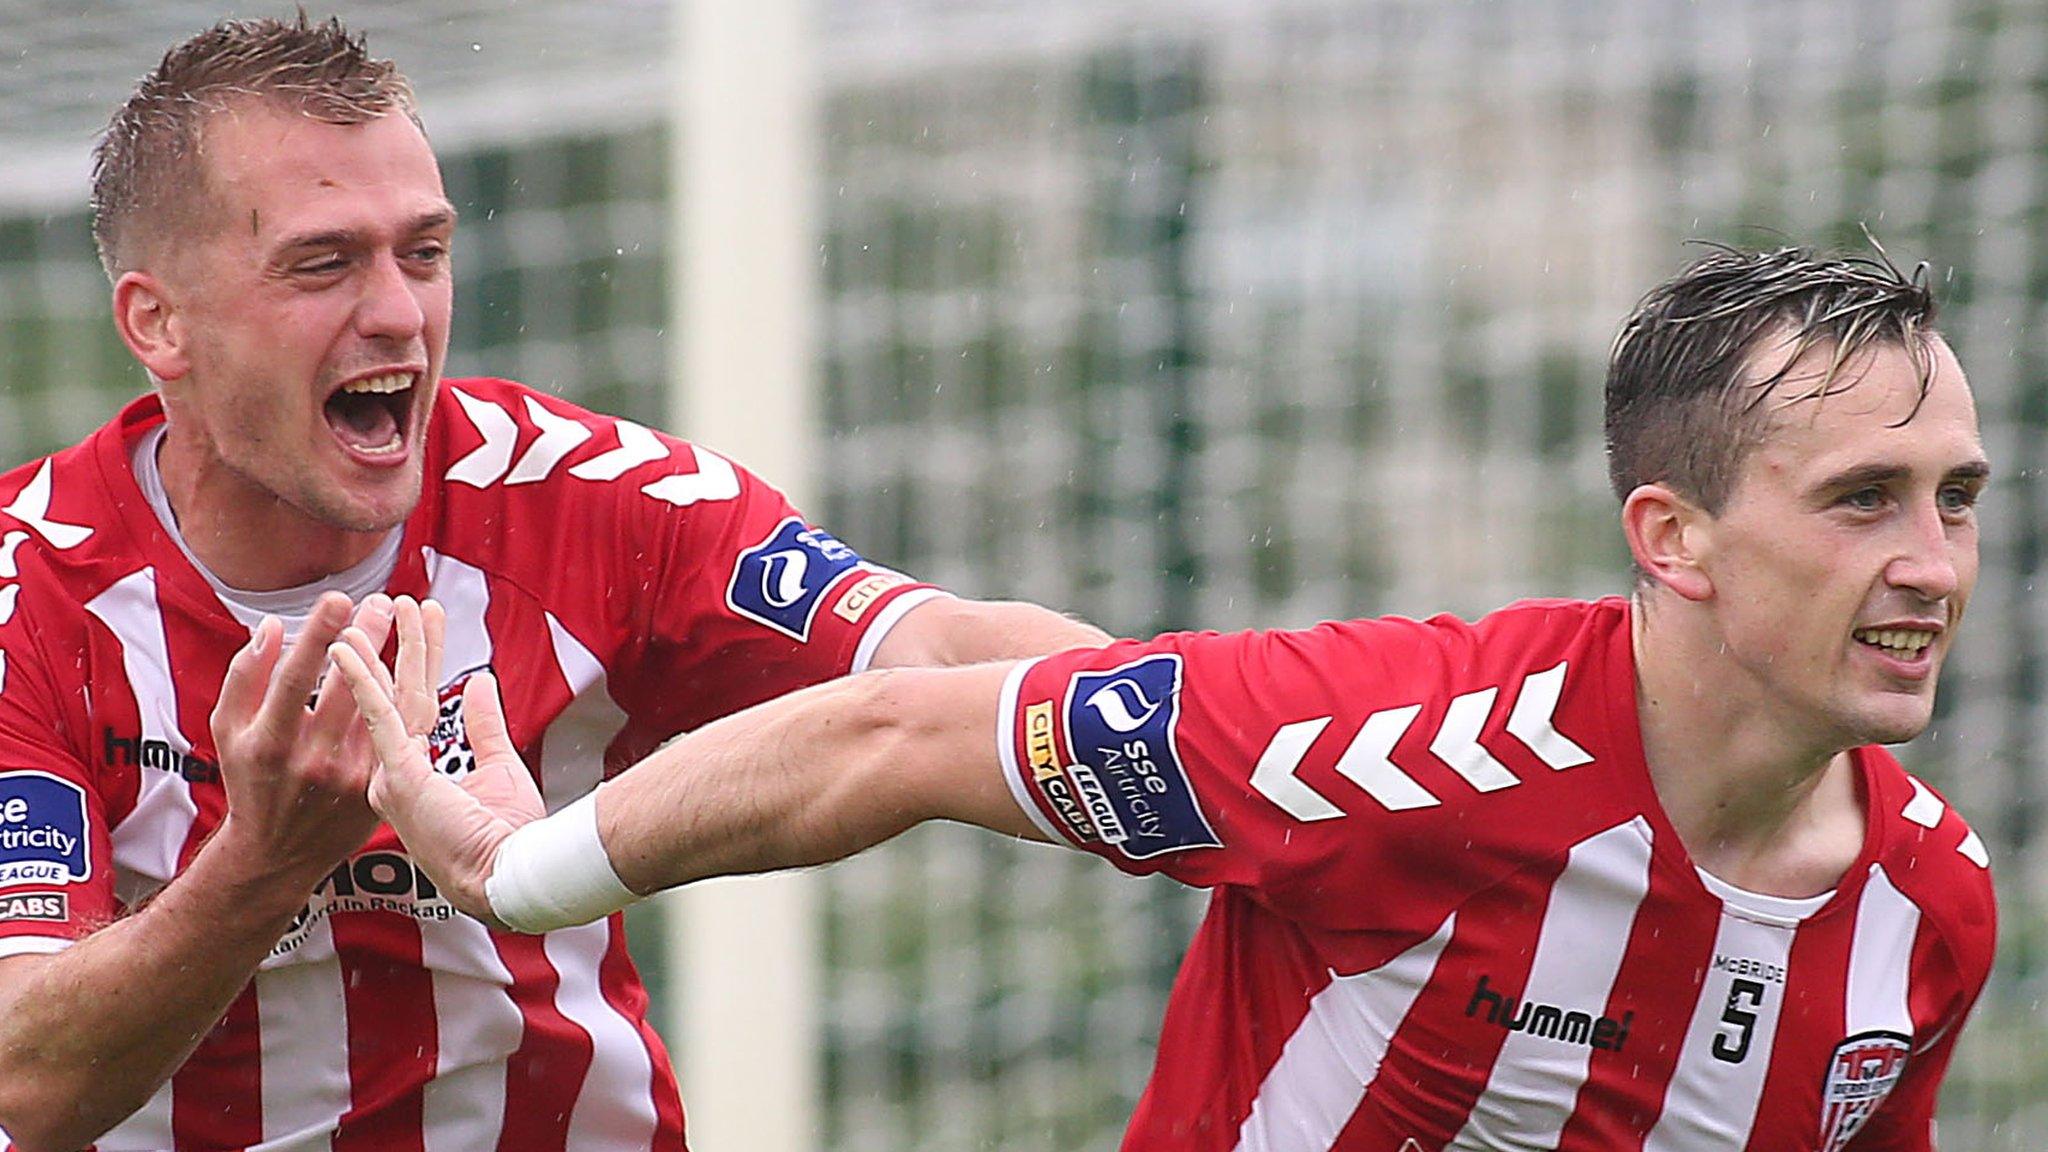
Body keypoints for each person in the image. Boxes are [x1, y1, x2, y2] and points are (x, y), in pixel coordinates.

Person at [343, 244, 1998, 1151]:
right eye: (1861, 498)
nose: (1931, 559)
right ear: (1672, 538)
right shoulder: (1400, 746)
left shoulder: (1928, 915)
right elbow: (898, 731)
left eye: (1956, 496)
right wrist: (521, 867)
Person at [0, 14, 1107, 1152]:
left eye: (422, 253)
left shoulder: (580, 503)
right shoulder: (28, 593)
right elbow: (25, 1076)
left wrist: (1232, 713)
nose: (396, 314)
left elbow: (934, 653)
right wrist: (264, 862)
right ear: (157, 322)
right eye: (323, 263)